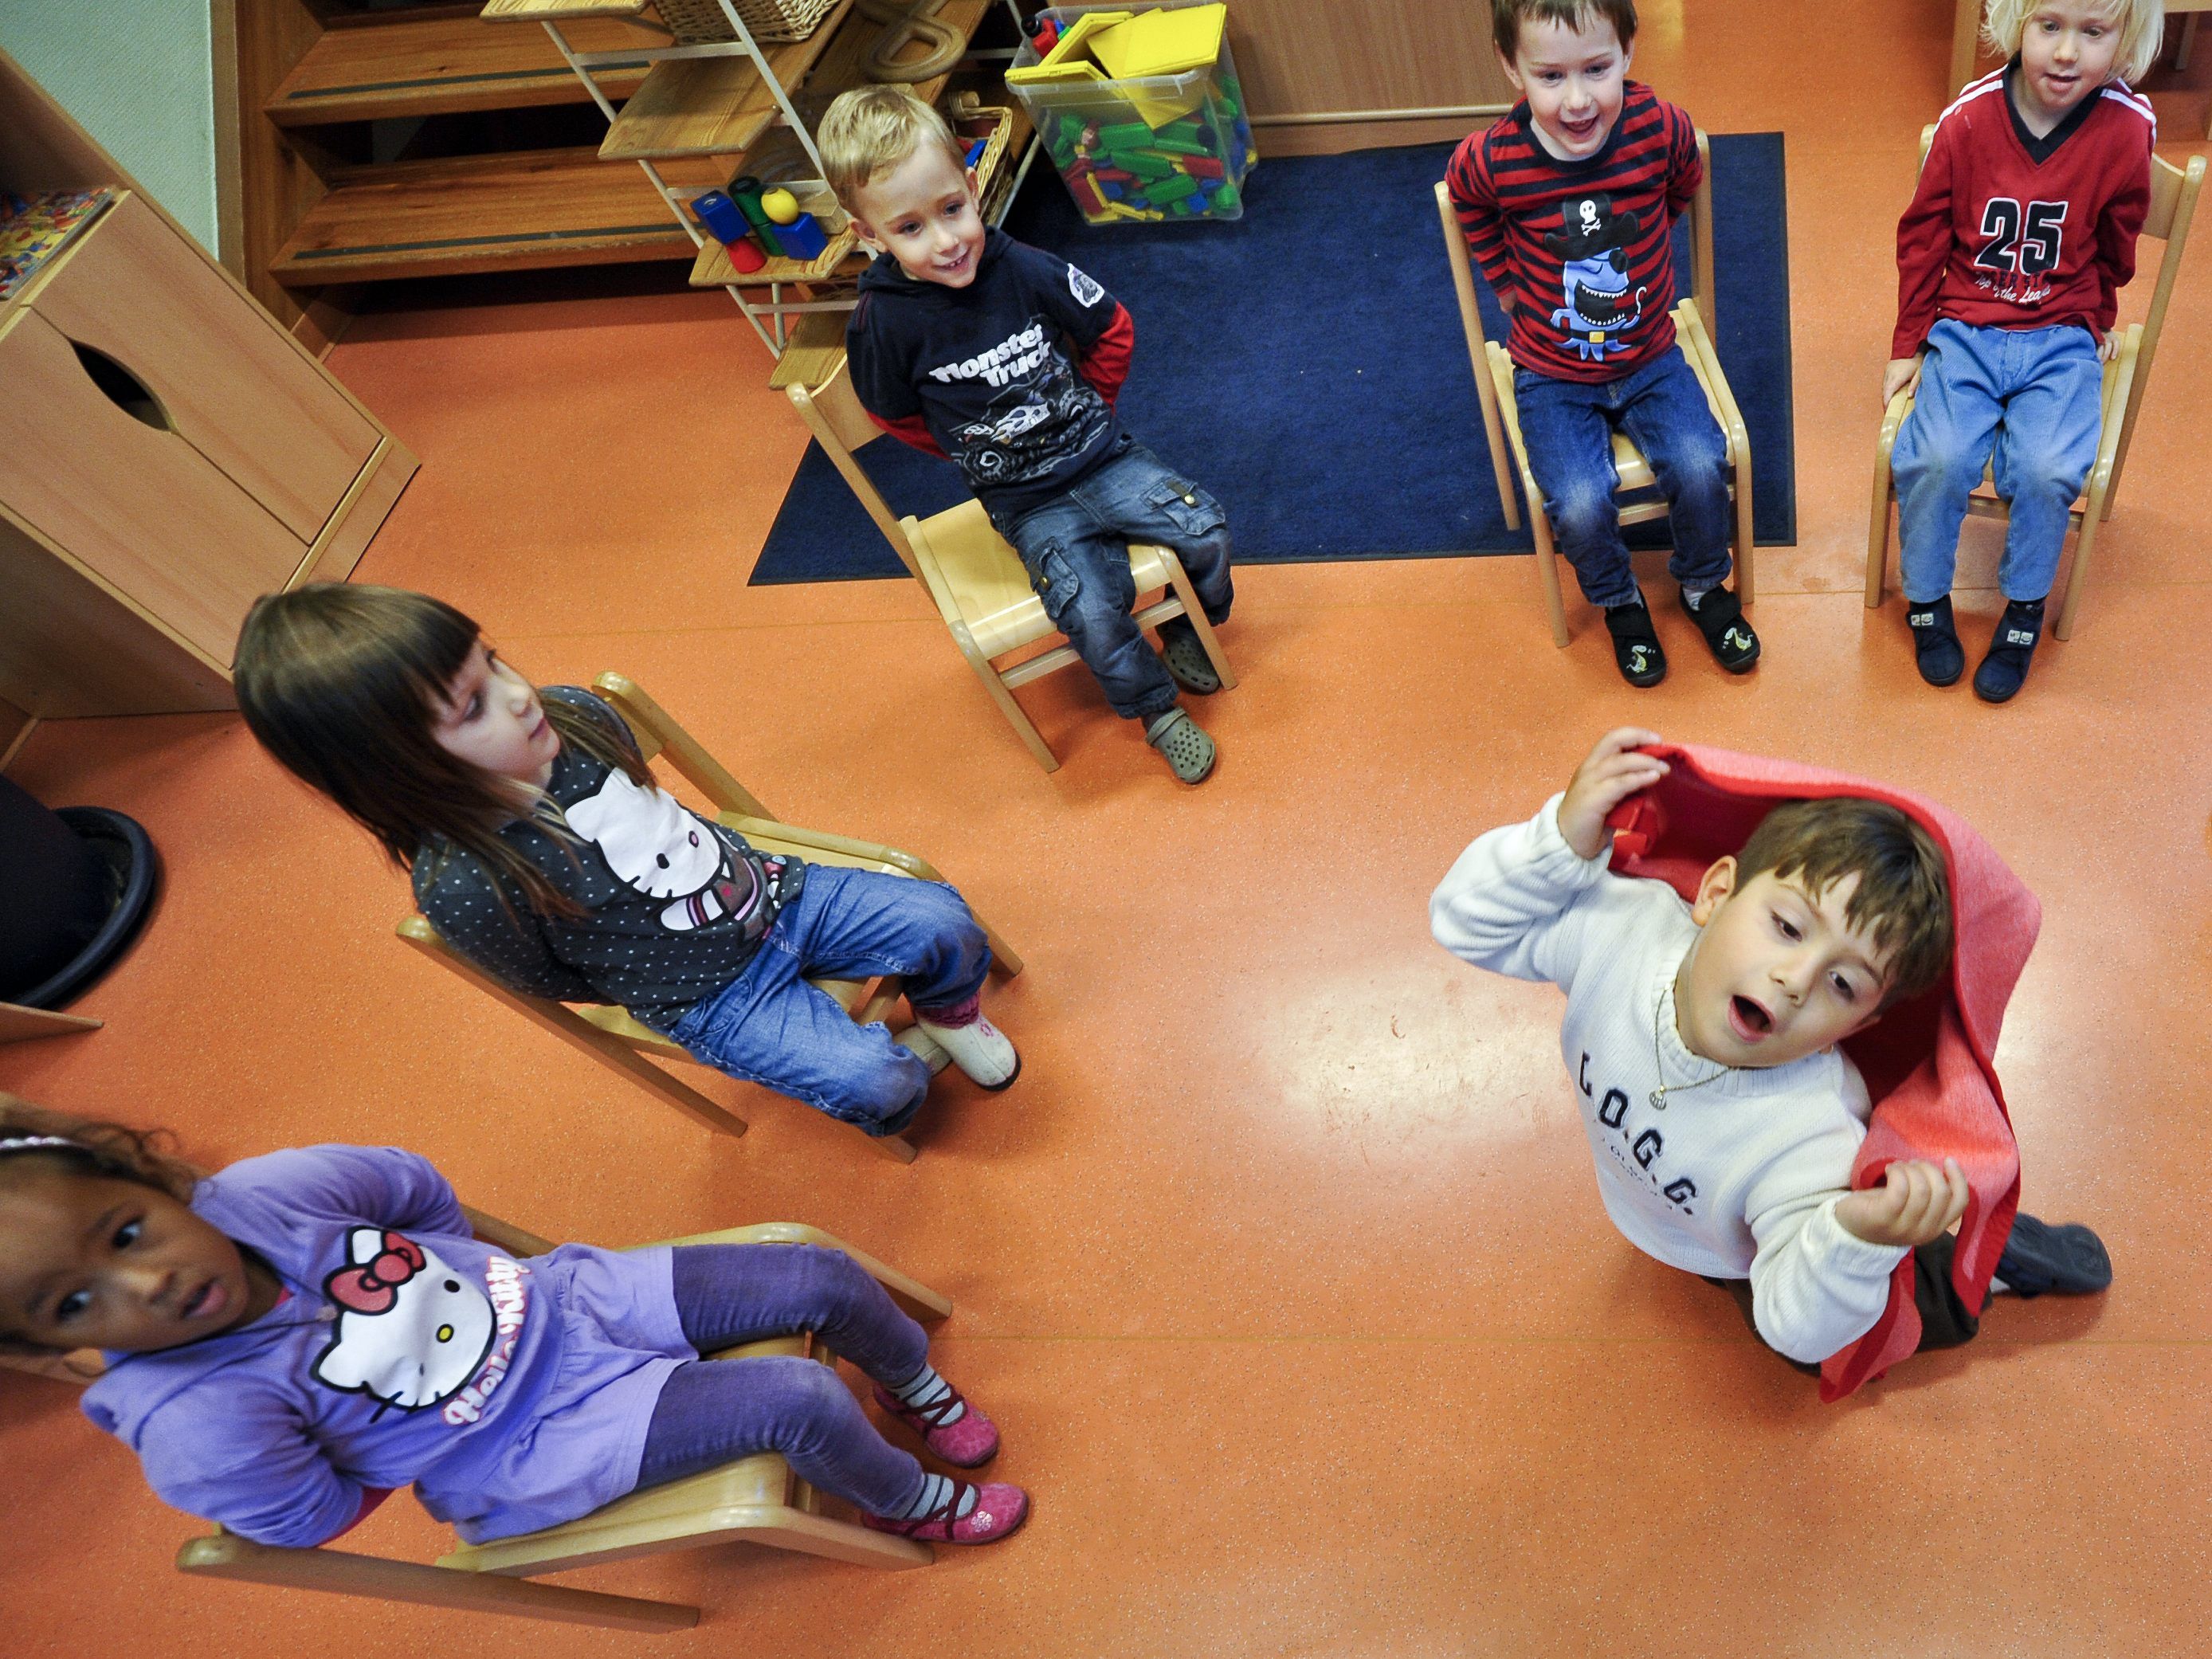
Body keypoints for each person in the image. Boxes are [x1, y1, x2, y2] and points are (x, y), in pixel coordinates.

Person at [0, 1102, 1027, 1547]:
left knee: (820, 1274)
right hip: (520, 1444)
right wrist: (428, 1441)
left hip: (563, 1298)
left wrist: (488, 1278)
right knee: (798, 1397)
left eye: (128, 1230)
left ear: (150, 1181)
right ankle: (908, 1500)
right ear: (50, 1349)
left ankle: (915, 1388)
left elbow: (410, 1185)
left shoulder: (271, 1194)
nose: (146, 1287)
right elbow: (308, 1513)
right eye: (75, 1304)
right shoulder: (191, 1419)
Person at [233, 582, 1018, 1143]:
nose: (516, 696)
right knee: (875, 1085)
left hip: (775, 892)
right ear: (393, 765)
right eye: (470, 706)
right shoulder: (465, 885)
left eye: (494, 663)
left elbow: (656, 806)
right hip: (710, 998)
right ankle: (904, 1080)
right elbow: (547, 981)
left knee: (940, 917)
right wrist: (659, 976)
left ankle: (949, 1016)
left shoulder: (576, 711)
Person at [1429, 728, 2111, 1370]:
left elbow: (1799, 1327)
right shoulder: (1620, 934)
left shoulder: (1810, 1144)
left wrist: (1856, 1241)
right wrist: (1558, 845)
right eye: (1786, 925)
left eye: (1843, 984)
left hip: (1776, 1243)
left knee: (1852, 1321)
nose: (1795, 978)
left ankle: (1988, 1264)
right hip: (1695, 1224)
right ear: (1718, 894)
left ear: (1854, 1028)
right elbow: (1465, 922)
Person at [824, 84, 1234, 783]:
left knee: (1206, 530)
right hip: (1026, 504)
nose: (948, 241)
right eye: (911, 227)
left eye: (953, 209)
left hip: (1105, 458)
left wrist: (1092, 406)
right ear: (869, 234)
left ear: (972, 185)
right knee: (1092, 614)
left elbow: (1111, 327)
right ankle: (1156, 710)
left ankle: (1187, 626)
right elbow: (893, 415)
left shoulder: (1022, 266)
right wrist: (973, 449)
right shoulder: (882, 322)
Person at [1447, 0, 1757, 687]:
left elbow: (1684, 175)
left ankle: (1705, 586)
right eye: (1550, 76)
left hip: (1649, 354)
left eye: (1597, 69)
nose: (1579, 99)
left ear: (1628, 52)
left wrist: (1652, 230)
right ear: (1510, 66)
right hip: (1552, 374)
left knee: (1703, 463)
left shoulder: (1658, 126)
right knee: (1581, 500)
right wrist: (1504, 281)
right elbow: (1466, 200)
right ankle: (1620, 602)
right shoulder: (1495, 157)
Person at [1885, 0, 2159, 701]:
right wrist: (1907, 341)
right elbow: (1923, 242)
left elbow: (2116, 240)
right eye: (2050, 27)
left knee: (2045, 469)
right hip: (1965, 330)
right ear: (2015, 24)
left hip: (2062, 333)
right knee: (1936, 458)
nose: (2067, 53)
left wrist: (2095, 320)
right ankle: (1926, 597)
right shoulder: (1968, 119)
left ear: (2124, 37)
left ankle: (2025, 608)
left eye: (2093, 33)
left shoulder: (2129, 128)